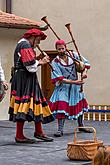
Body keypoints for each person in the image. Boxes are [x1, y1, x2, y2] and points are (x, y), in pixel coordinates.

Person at [8, 29, 54, 143]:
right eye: (38, 40)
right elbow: (30, 67)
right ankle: (19, 135)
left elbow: (28, 62)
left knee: (36, 103)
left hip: (26, 78)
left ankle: (38, 131)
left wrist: (37, 58)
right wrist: (41, 62)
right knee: (23, 105)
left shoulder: (24, 44)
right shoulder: (25, 45)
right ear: (32, 37)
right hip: (24, 79)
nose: (38, 43)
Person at [49, 39, 92, 137]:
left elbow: (85, 64)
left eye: (62, 48)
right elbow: (60, 78)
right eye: (59, 49)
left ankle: (81, 125)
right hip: (63, 87)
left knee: (80, 104)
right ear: (56, 49)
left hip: (75, 87)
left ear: (65, 48)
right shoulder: (55, 62)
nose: (61, 51)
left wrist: (84, 73)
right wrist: (75, 82)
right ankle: (60, 129)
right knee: (62, 105)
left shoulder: (74, 55)